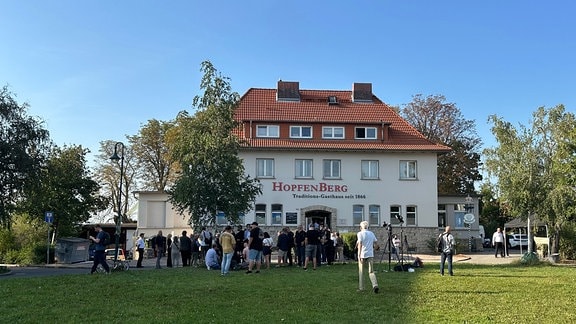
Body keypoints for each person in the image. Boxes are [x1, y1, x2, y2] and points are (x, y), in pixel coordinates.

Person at [356, 221, 379, 293]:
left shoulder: (360, 233)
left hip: (363, 254)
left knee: (361, 272)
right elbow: (376, 244)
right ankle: (375, 285)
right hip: (370, 254)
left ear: (360, 227)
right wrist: (374, 249)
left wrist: (358, 254)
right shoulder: (371, 233)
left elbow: (360, 244)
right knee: (371, 271)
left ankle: (361, 288)